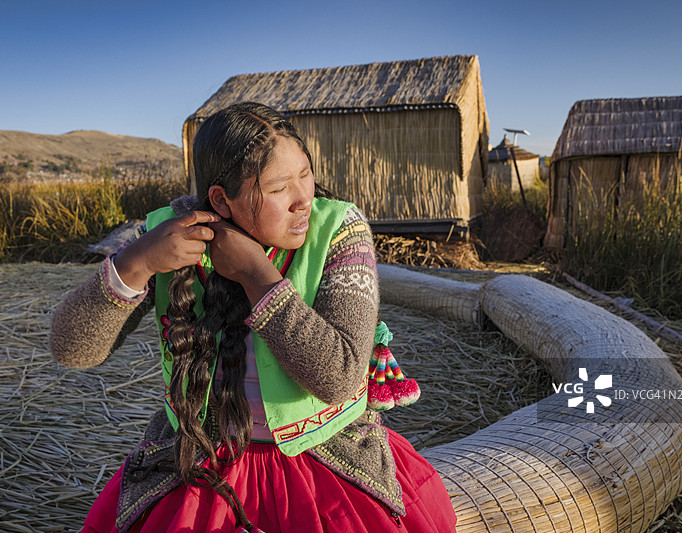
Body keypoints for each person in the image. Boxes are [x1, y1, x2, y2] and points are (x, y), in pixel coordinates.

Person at [50, 102, 457, 533]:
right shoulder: (169, 235)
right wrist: (134, 264)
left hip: (324, 468)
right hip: (197, 466)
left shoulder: (339, 232)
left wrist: (255, 275)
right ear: (221, 199)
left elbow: (338, 378)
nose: (304, 199)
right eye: (279, 188)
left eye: (306, 174)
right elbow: (72, 350)